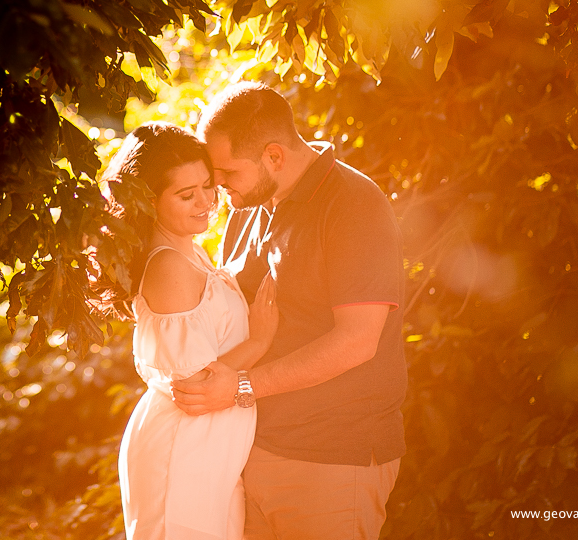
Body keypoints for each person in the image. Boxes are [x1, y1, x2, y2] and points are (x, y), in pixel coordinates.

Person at [172, 82, 407, 540]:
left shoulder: (352, 204)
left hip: (331, 458)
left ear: (274, 156)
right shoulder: (248, 206)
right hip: (250, 451)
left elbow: (358, 340)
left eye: (226, 172)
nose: (216, 186)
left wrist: (241, 387)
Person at [106, 122, 279, 540]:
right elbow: (195, 384)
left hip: (207, 448)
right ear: (149, 201)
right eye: (186, 195)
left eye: (207, 186)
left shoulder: (191, 250)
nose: (205, 202)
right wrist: (259, 340)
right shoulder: (168, 266)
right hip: (183, 448)